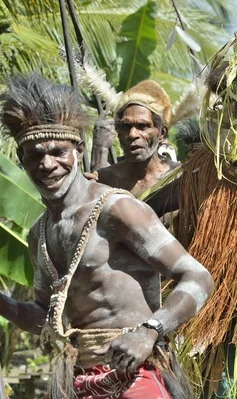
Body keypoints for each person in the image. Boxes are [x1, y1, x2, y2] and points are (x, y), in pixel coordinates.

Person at [0, 74, 214, 398]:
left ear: (79, 150)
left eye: (58, 151)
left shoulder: (116, 209)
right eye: (34, 156)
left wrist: (149, 332)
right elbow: (45, 316)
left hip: (135, 376)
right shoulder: (39, 233)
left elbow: (198, 277)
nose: (47, 164)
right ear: (21, 161)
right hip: (79, 380)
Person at [91, 80, 179, 198]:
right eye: (125, 126)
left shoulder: (178, 179)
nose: (132, 134)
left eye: (142, 126)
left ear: (162, 134)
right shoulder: (106, 178)